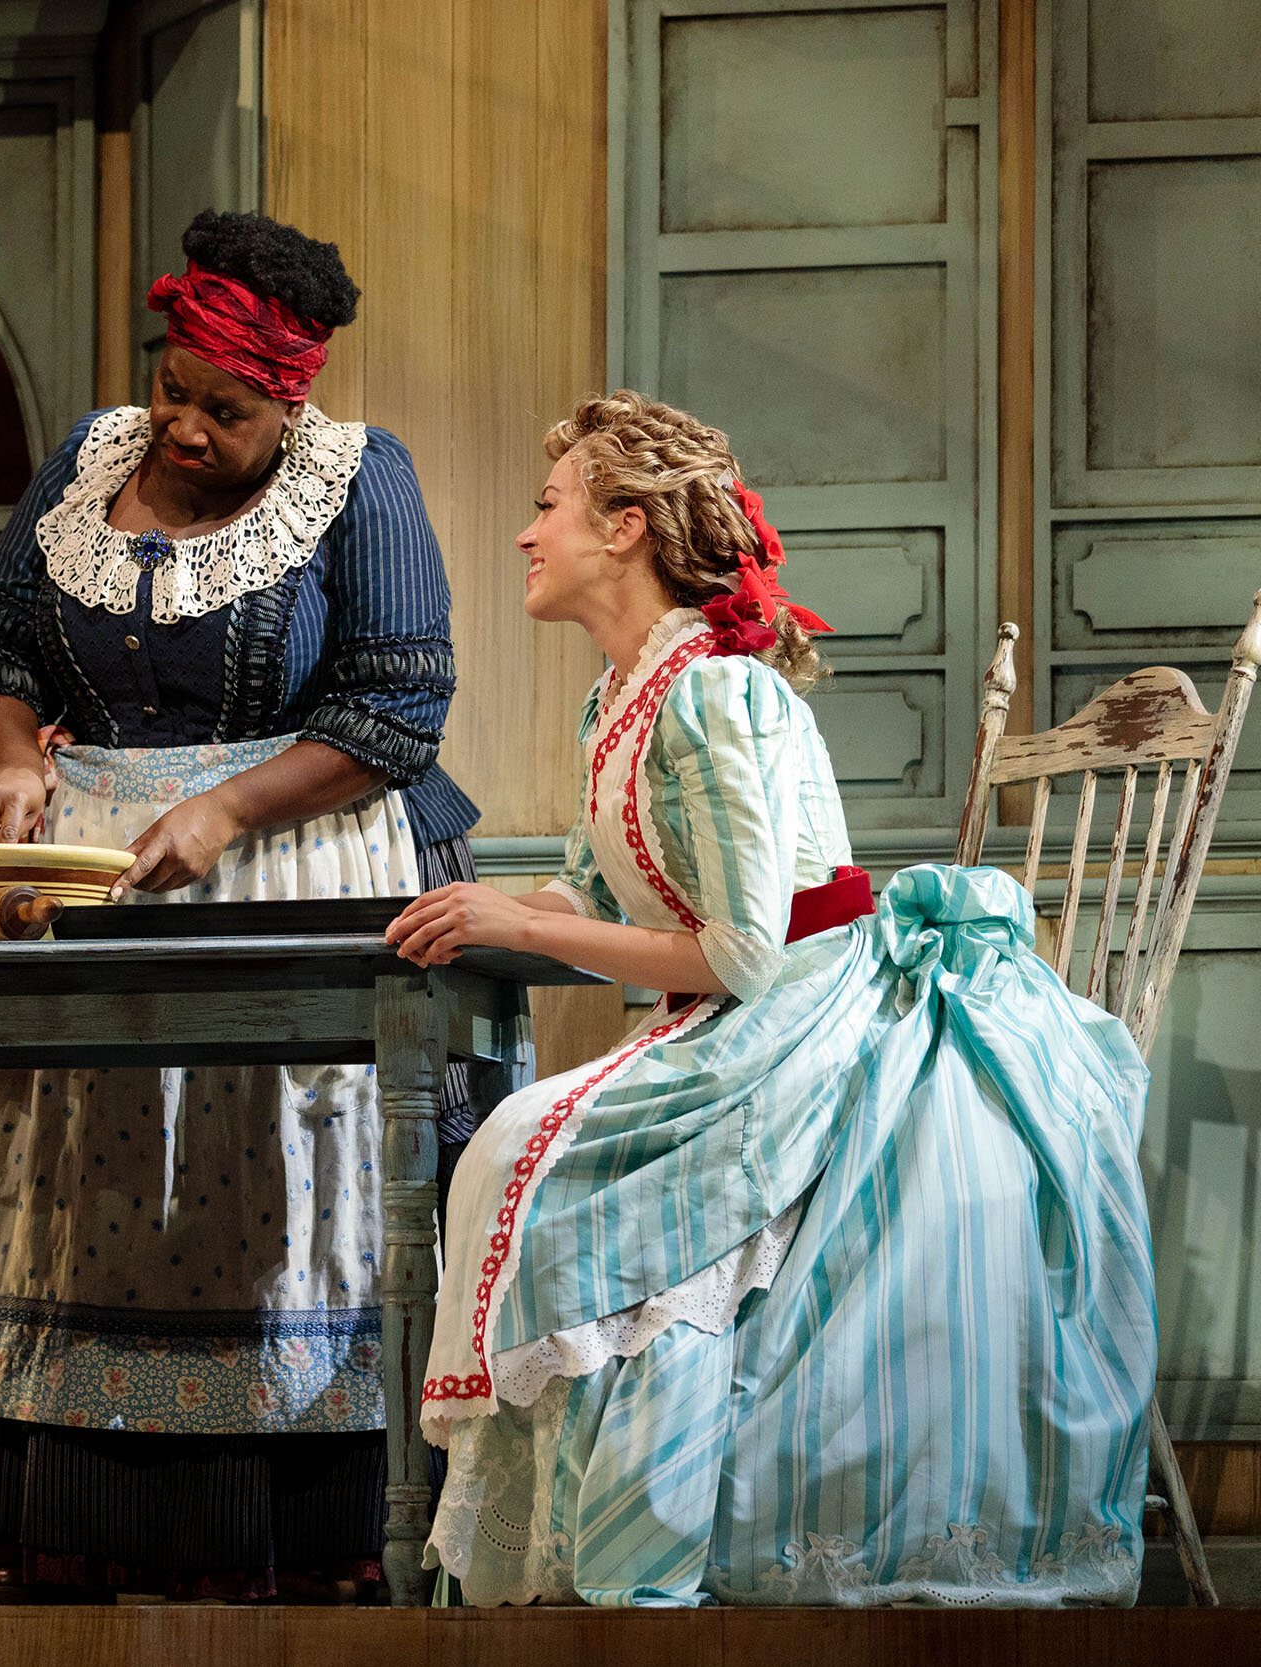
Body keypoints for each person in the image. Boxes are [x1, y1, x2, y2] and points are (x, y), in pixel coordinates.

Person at [397, 391, 1154, 1607]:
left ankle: (647, 1538)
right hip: (732, 1014)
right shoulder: (619, 697)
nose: (526, 534)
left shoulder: (717, 694)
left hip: (805, 1007)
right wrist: (469, 909)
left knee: (532, 1147)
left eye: (548, 507)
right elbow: (597, 883)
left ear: (627, 525)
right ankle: (604, 1537)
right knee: (515, 1146)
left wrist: (522, 925)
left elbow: (746, 947)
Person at [0, 209, 488, 1602]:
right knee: (90, 1193)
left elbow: (398, 698)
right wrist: (8, 749)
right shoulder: (89, 461)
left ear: (286, 398)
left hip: (294, 862)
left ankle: (306, 1532)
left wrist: (231, 806)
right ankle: (78, 1517)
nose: (181, 423)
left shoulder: (360, 482)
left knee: (274, 1198)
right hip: (99, 879)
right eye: (174, 386)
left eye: (220, 409)